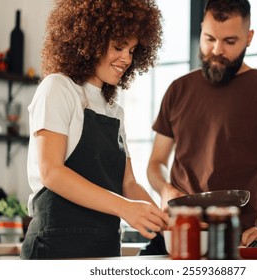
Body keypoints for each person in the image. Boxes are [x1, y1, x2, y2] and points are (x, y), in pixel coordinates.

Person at [146, 0, 257, 250]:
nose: (216, 50)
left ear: (249, 37)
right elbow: (156, 163)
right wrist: (166, 190)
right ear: (201, 29)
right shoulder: (178, 89)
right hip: (173, 237)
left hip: (233, 244)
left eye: (229, 41)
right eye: (209, 38)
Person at [21, 0, 168, 259]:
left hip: (105, 252)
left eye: (133, 50)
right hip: (54, 250)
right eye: (119, 47)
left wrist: (165, 223)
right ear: (89, 41)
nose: (126, 59)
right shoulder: (58, 88)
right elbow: (51, 172)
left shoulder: (115, 111)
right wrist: (126, 208)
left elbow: (129, 183)